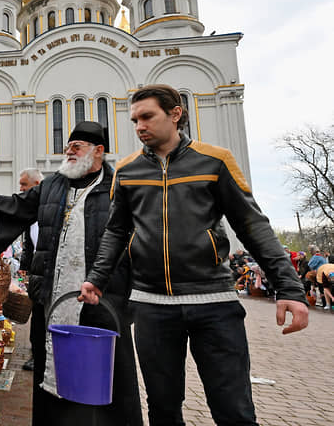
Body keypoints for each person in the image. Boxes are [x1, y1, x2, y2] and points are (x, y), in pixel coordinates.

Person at [80, 84, 308, 426]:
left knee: (233, 409)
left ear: (175, 114)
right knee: (162, 407)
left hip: (213, 301)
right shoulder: (127, 171)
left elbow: (251, 225)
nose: (139, 126)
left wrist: (289, 288)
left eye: (147, 117)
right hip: (151, 305)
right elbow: (116, 231)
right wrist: (97, 279)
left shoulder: (214, 161)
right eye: (134, 120)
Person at [0, 122, 142, 426]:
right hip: (54, 297)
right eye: (67, 146)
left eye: (77, 147)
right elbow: (19, 206)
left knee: (105, 377)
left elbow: (136, 238)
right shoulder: (53, 184)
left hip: (100, 299)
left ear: (99, 151)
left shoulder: (119, 186)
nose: (68, 151)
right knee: (52, 373)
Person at [16, 168, 43, 372]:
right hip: (35, 273)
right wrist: (24, 270)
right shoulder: (30, 211)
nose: (21, 189)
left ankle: (45, 355)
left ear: (36, 185)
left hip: (49, 272)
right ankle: (37, 353)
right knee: (37, 316)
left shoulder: (48, 208)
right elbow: (28, 245)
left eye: (24, 184)